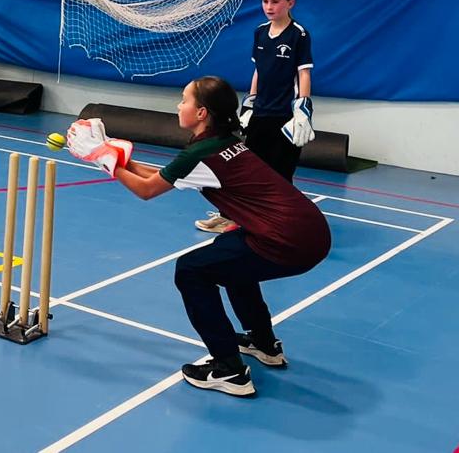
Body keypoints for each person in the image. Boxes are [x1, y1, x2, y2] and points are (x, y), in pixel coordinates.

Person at [67, 76, 330, 397]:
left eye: (184, 100)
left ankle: (229, 370)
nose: (179, 106)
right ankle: (264, 344)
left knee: (192, 271)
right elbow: (166, 176)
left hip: (289, 239)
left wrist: (103, 160)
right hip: (307, 228)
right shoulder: (221, 143)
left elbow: (147, 190)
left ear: (202, 112)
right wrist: (117, 156)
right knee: (229, 254)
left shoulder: (204, 152)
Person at [196, 0, 315, 233]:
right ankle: (230, 216)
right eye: (265, 1)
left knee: (281, 174)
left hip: (285, 118)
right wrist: (249, 105)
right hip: (260, 115)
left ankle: (282, 222)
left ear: (290, 3)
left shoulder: (299, 35)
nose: (269, 6)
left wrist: (303, 110)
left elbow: (304, 73)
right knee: (246, 170)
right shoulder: (260, 32)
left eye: (276, 1)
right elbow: (258, 72)